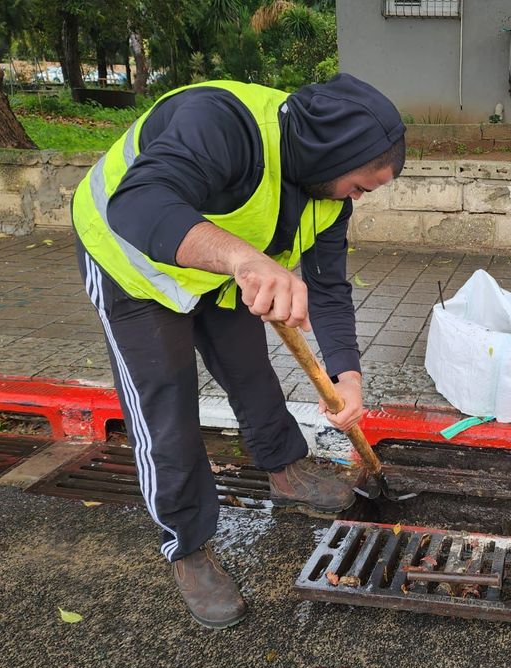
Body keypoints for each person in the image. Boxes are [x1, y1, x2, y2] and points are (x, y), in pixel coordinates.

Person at [70, 74, 406, 629]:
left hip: (217, 270)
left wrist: (348, 376)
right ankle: (186, 546)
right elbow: (139, 204)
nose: (358, 199)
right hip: (131, 266)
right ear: (329, 154)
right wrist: (245, 261)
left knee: (250, 369)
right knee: (166, 402)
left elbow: (329, 288)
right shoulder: (220, 122)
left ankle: (284, 467)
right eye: (361, 186)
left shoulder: (326, 196)